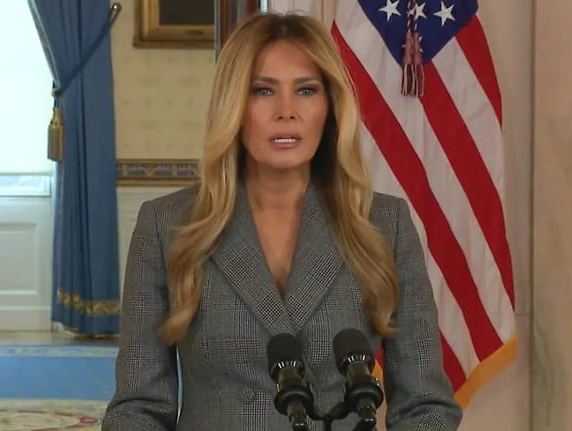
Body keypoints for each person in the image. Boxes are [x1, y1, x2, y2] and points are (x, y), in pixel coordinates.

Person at [101, 11, 462, 431]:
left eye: (306, 90)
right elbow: (137, 409)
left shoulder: (384, 224)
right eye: (263, 91)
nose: (286, 111)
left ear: (330, 107)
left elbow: (426, 407)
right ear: (233, 105)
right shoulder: (167, 225)